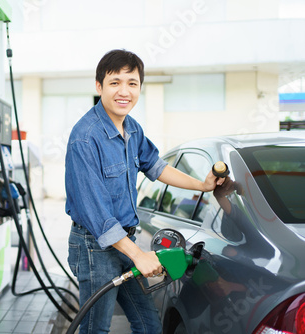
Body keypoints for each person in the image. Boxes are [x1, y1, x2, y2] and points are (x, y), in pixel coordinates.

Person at [65, 49, 225, 334]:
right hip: (94, 247)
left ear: (139, 87)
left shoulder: (132, 128)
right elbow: (97, 215)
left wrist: (202, 185)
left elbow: (157, 166)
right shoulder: (85, 138)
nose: (124, 91)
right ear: (99, 86)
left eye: (132, 83)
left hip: (126, 242)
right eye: (115, 82)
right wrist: (139, 256)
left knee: (149, 325)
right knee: (95, 329)